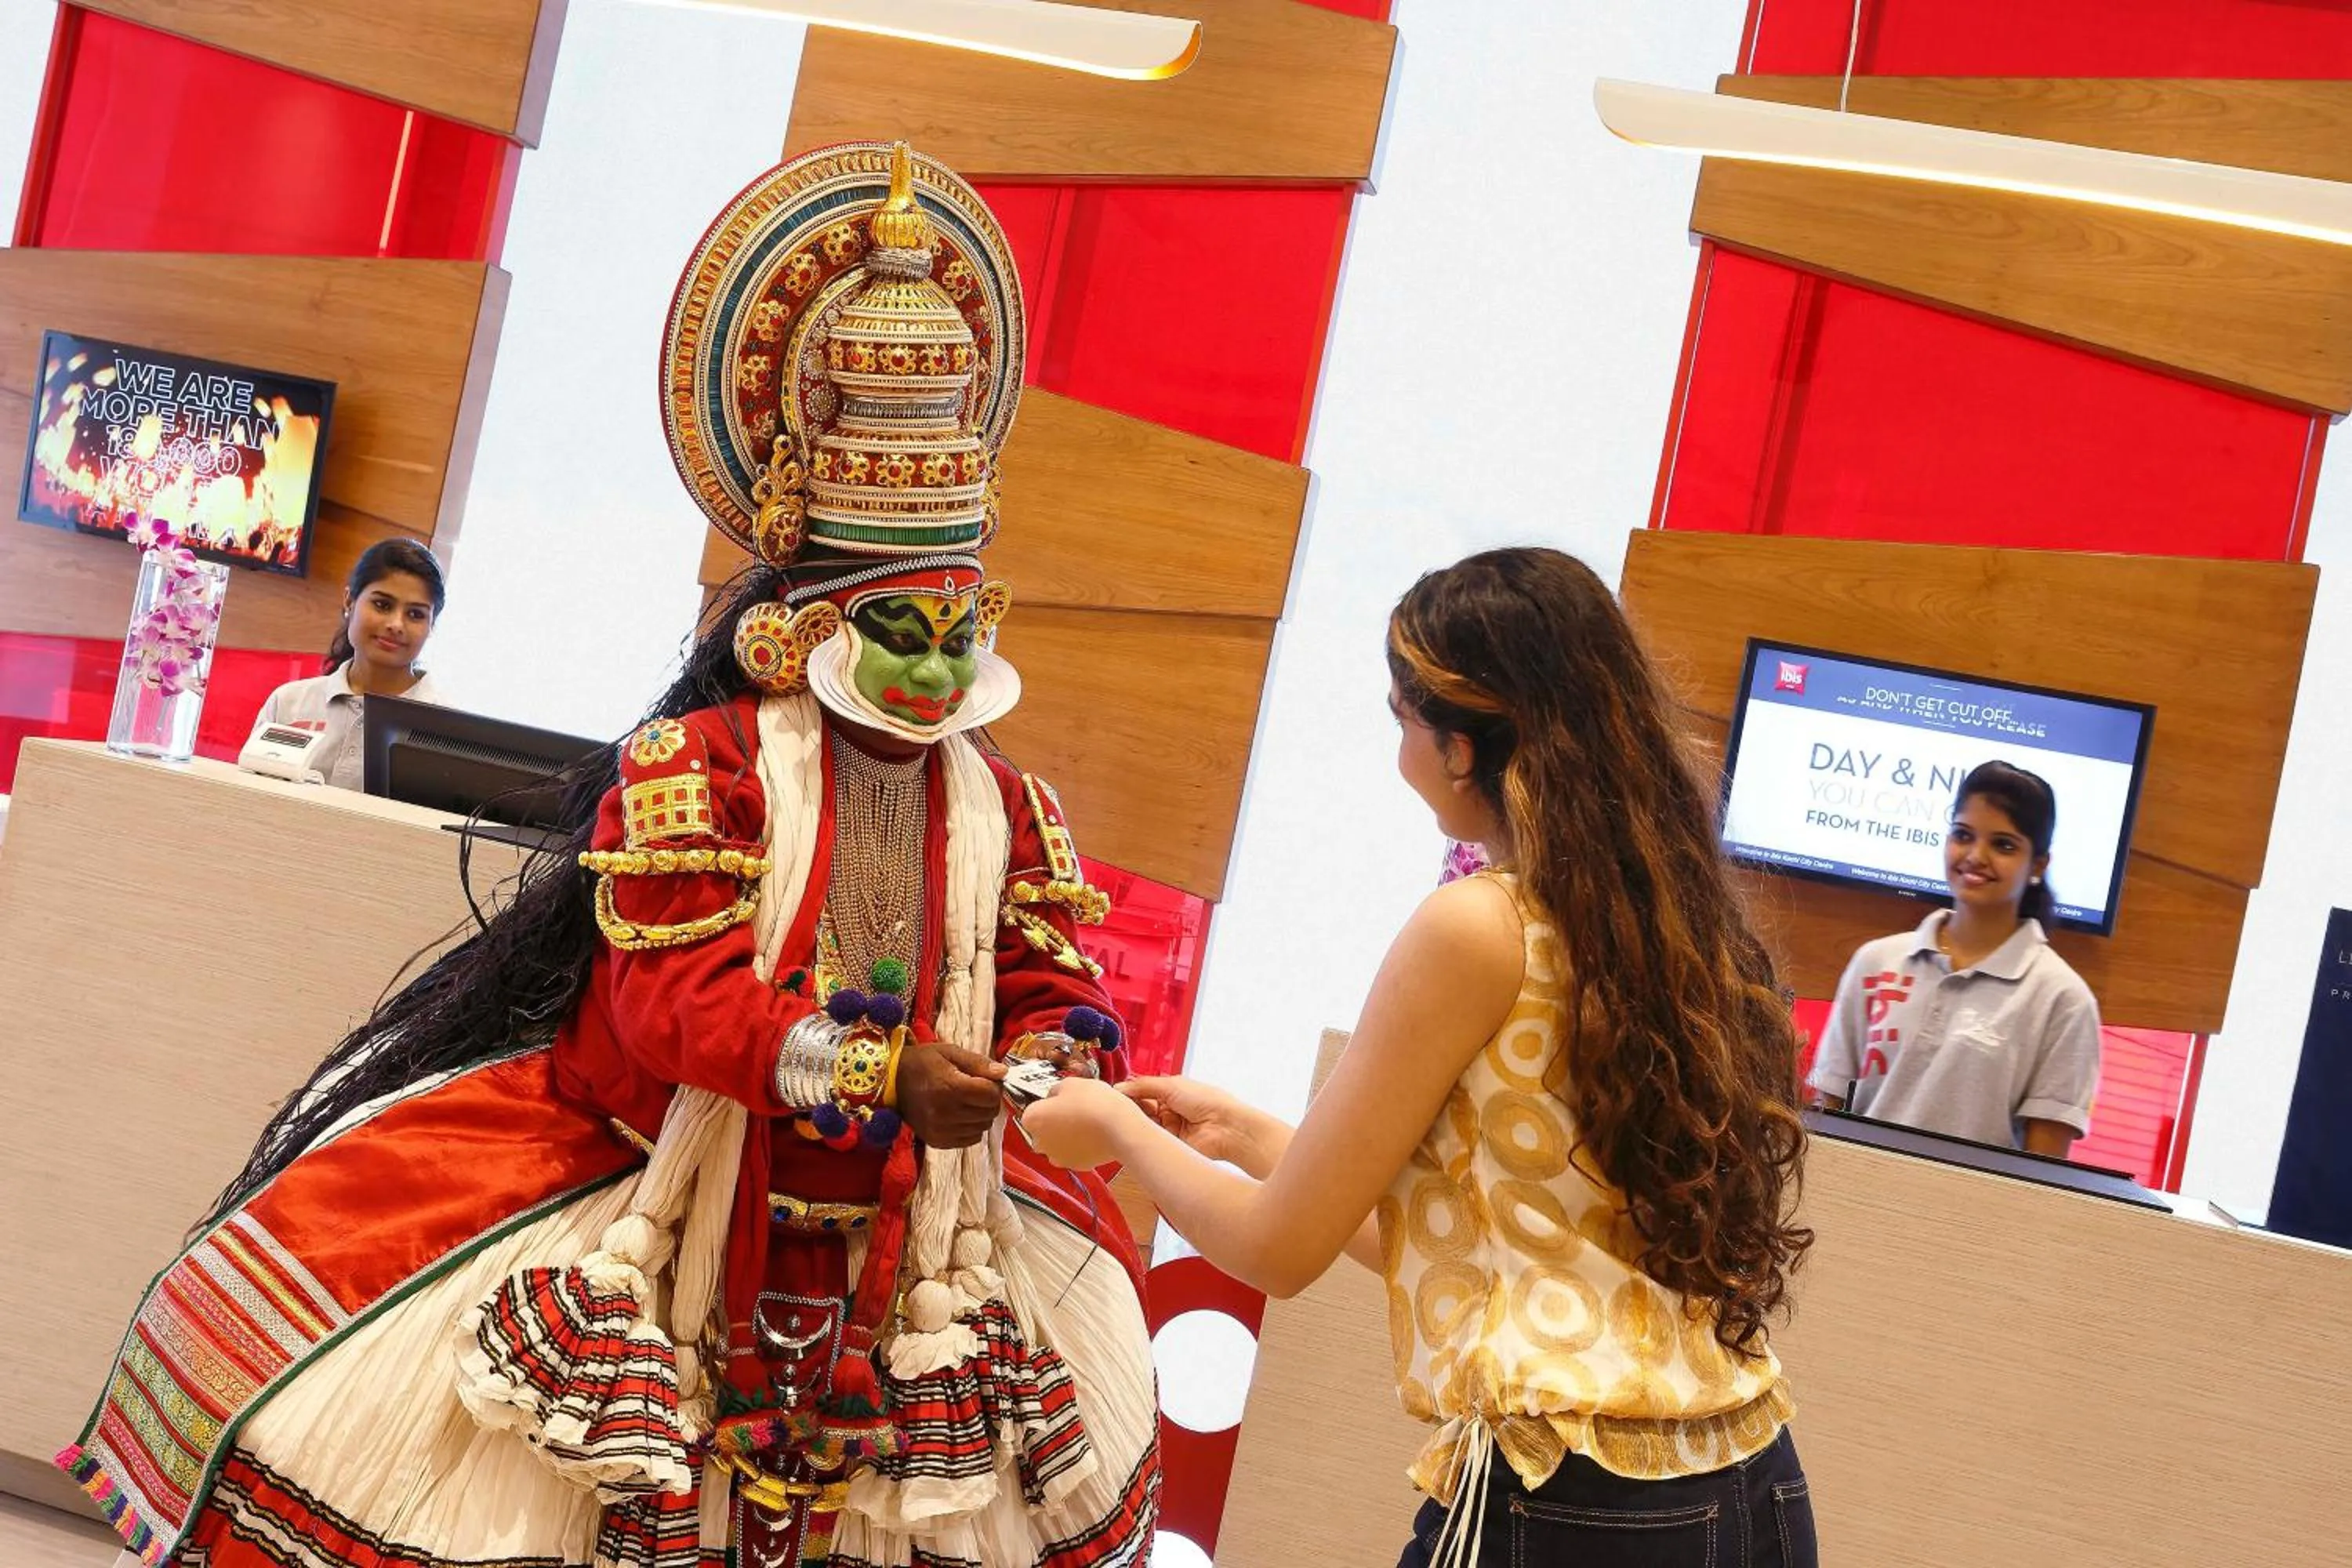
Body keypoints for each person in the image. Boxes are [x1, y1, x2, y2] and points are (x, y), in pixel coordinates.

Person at [62, 143, 1159, 1568]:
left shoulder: (1008, 804)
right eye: (906, 629)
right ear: (805, 621)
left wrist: (1062, 1055)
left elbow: (1042, 971)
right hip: (660, 1190)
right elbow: (667, 1005)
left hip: (917, 1245)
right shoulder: (695, 770)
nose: (944, 670)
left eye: (966, 630)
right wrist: (877, 1069)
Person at [1025, 547, 1818, 1568]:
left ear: (1460, 745)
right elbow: (1502, 1238)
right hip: (1747, 1465)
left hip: (1565, 1493)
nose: (1399, 757)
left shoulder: (1474, 929)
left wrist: (1113, 1129)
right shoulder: (1667, 921)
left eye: (1402, 722)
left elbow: (1276, 1252)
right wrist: (1248, 1136)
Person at [1808, 760, 2102, 1156]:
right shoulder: (1875, 962)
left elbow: (2045, 1175)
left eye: (2003, 845)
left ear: (2038, 864)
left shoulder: (2063, 999)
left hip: (1975, 1217)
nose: (1976, 856)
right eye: (1963, 835)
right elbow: (1826, 1116)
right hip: (1855, 1206)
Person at [246, 536, 446, 789]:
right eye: (382, 605)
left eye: (415, 614)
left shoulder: (447, 730)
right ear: (349, 602)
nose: (396, 624)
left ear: (432, 625)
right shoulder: (289, 704)